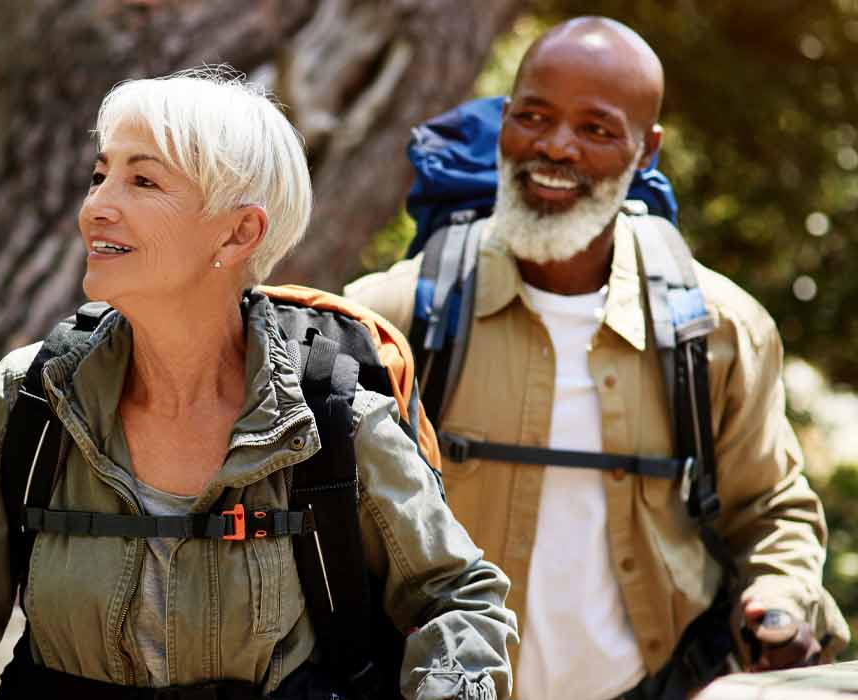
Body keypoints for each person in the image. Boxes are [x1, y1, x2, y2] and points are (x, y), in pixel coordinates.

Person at [0, 67, 517, 700]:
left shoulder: (333, 421)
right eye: (100, 175)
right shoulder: (34, 397)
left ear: (238, 235)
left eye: (143, 181)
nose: (97, 206)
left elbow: (459, 600)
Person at [346, 17, 849, 699]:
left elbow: (768, 508)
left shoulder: (719, 329)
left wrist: (779, 598)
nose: (555, 147)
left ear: (647, 151)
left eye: (597, 129)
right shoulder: (392, 318)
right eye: (534, 116)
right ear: (504, 123)